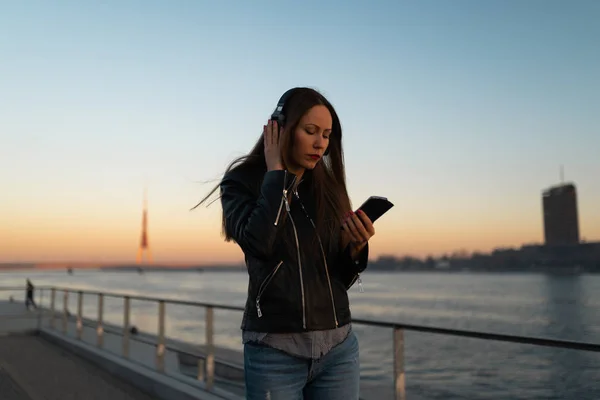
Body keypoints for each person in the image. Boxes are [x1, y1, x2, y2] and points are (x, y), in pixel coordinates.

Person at [195, 87, 375, 399]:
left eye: (327, 135)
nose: (320, 143)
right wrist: (276, 172)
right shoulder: (241, 182)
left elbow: (338, 280)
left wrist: (357, 247)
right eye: (311, 131)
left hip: (338, 348)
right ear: (280, 129)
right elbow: (260, 243)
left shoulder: (326, 189)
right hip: (275, 350)